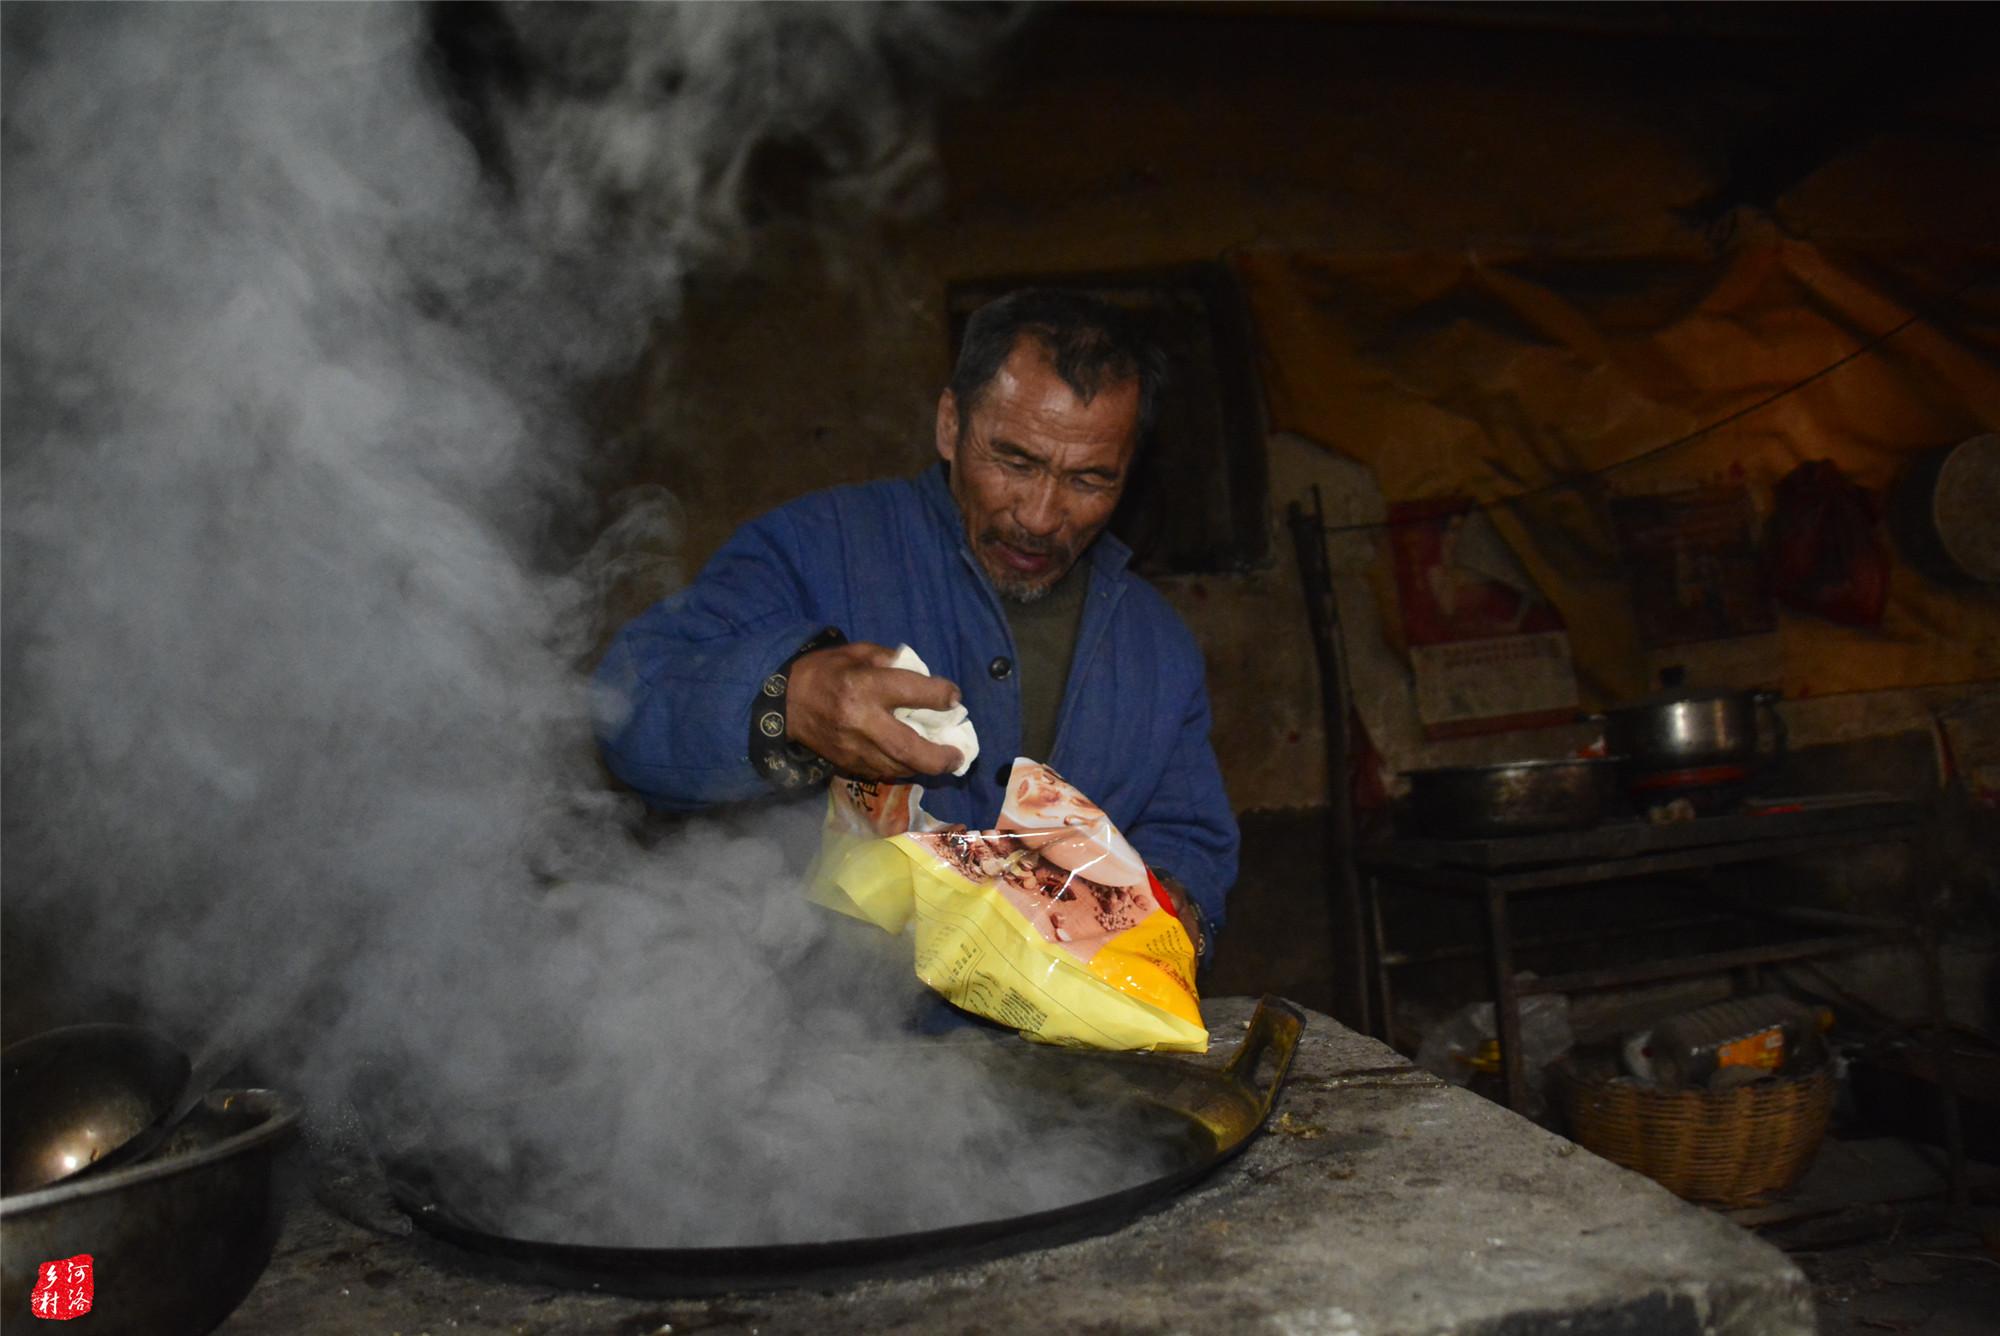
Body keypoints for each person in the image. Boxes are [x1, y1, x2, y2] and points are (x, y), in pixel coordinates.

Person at [592, 289, 1238, 959]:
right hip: (827, 1044)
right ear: (950, 425)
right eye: (1016, 462)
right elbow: (631, 710)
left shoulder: (1157, 648)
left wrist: (1171, 910)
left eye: (1090, 480)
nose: (1042, 516)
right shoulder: (813, 548)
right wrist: (791, 702)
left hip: (1052, 1052)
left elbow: (1185, 835)